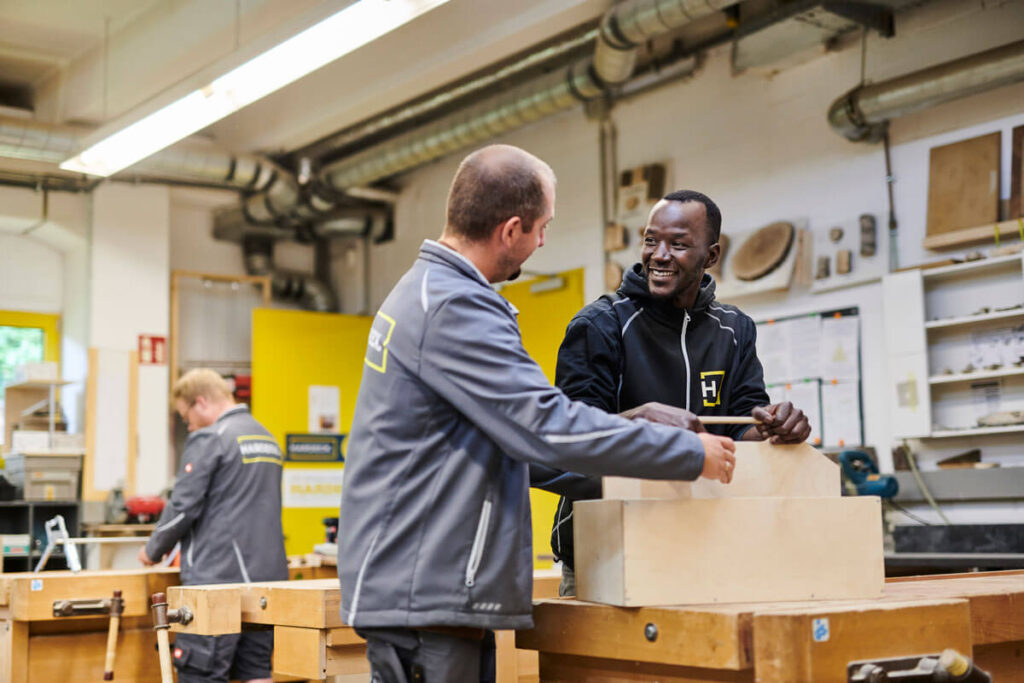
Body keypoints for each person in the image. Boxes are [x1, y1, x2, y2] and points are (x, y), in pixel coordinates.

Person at [337, 145, 738, 683]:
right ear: (510, 230)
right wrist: (688, 453)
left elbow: (520, 434)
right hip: (424, 591)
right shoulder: (456, 307)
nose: (543, 241)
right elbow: (546, 426)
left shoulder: (429, 292)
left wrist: (626, 424)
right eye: (542, 228)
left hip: (427, 589)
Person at [550, 189, 812, 595]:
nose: (659, 254)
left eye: (679, 244)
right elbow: (569, 443)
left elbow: (744, 423)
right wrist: (642, 425)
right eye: (651, 240)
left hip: (706, 539)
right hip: (606, 549)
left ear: (710, 256)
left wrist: (773, 428)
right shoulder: (599, 325)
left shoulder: (735, 329)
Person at [139, 368, 287, 683]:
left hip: (217, 581)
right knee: (256, 671)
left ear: (201, 402)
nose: (188, 424)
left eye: (185, 416)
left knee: (201, 672)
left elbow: (182, 507)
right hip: (266, 581)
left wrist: (152, 550)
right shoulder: (267, 438)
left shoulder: (210, 438)